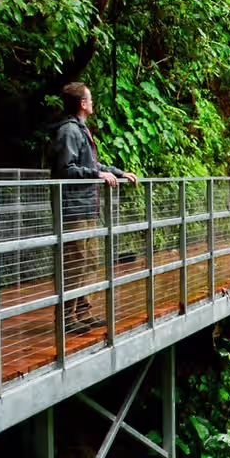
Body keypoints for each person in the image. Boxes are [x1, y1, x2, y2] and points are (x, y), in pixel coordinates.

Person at [48, 81, 136, 335]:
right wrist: (96, 175)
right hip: (73, 209)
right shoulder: (69, 131)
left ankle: (82, 312)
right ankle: (66, 318)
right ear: (82, 103)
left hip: (87, 207)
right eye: (90, 98)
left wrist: (117, 172)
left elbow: (91, 165)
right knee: (75, 263)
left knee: (90, 262)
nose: (93, 102)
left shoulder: (80, 129)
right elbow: (65, 169)